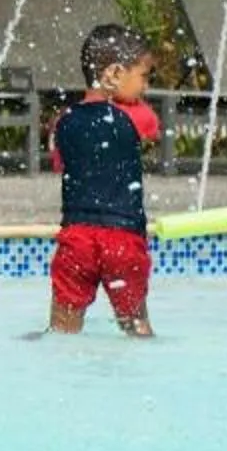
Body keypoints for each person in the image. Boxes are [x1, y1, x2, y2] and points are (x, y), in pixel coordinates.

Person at [45, 23, 161, 338]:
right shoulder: (134, 118)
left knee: (61, 329)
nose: (145, 87)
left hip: (76, 239)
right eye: (142, 76)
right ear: (113, 74)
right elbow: (151, 127)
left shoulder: (64, 120)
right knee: (137, 327)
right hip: (123, 241)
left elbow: (60, 161)